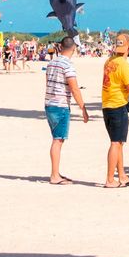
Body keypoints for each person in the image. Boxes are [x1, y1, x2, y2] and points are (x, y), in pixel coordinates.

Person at [44, 36, 89, 184]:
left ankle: (55, 173)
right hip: (60, 105)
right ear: (74, 49)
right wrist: (83, 107)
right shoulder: (67, 65)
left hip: (49, 103)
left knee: (57, 139)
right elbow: (74, 88)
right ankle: (54, 175)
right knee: (58, 140)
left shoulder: (52, 63)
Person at [101, 32, 129, 188]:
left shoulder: (109, 61)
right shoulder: (124, 65)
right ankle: (110, 179)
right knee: (116, 143)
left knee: (119, 143)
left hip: (108, 105)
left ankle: (122, 175)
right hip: (117, 106)